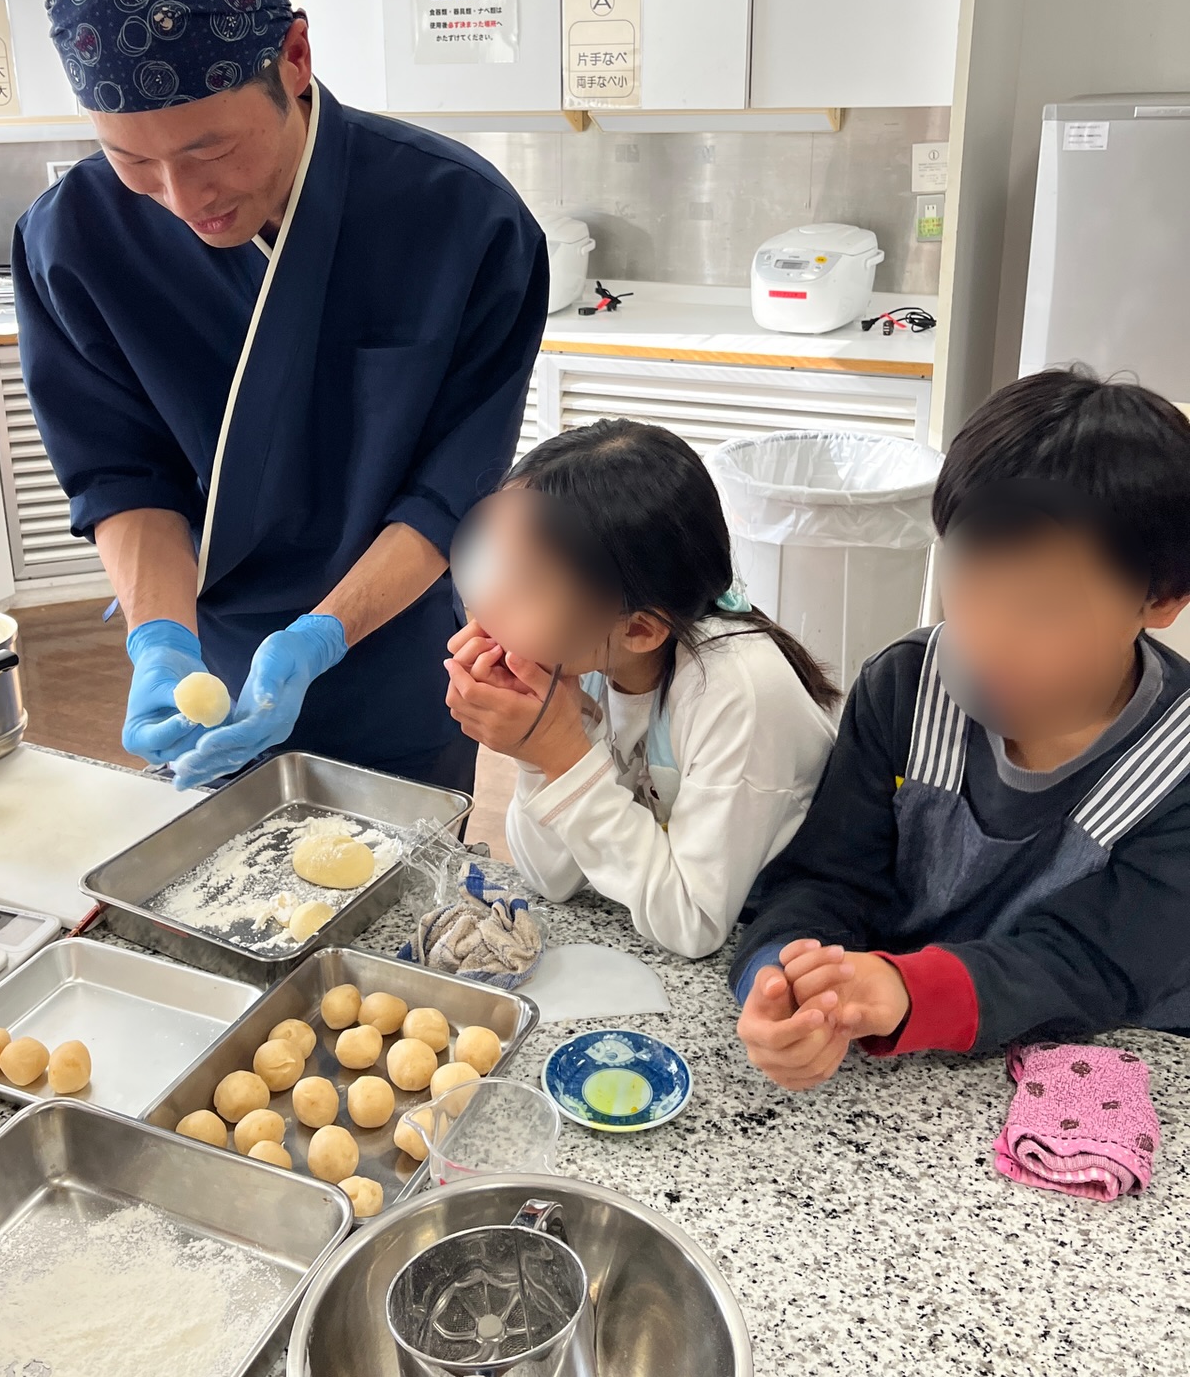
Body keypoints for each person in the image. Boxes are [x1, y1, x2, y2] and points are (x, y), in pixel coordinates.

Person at [13, 0, 547, 792]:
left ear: (294, 57)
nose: (184, 198)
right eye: (133, 161)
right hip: (202, 655)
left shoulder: (461, 220)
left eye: (210, 146)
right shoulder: (73, 242)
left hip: (394, 647)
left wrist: (318, 638)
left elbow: (446, 495)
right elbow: (122, 475)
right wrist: (158, 643)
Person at [733, 369, 1190, 1092]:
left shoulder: (1177, 766)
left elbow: (1092, 964)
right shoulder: (907, 688)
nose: (987, 639)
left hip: (1100, 1076)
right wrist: (785, 974)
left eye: (1044, 609)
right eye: (968, 582)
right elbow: (824, 877)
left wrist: (907, 989)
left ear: (1161, 599)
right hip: (911, 1062)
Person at [443, 420, 839, 958]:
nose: (491, 598)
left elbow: (693, 925)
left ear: (639, 629)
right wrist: (538, 750)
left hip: (780, 939)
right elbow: (551, 879)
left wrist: (563, 757)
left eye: (527, 586)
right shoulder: (594, 653)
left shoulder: (738, 692)